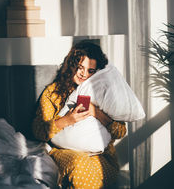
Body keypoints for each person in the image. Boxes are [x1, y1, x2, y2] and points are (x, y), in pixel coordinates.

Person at [32, 41, 126, 188]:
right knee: (79, 166)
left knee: (93, 176)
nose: (83, 74)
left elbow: (120, 131)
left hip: (101, 156)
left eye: (90, 71)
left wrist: (97, 113)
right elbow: (38, 131)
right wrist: (67, 120)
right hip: (64, 152)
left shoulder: (103, 93)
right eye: (80, 67)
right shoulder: (53, 93)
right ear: (71, 66)